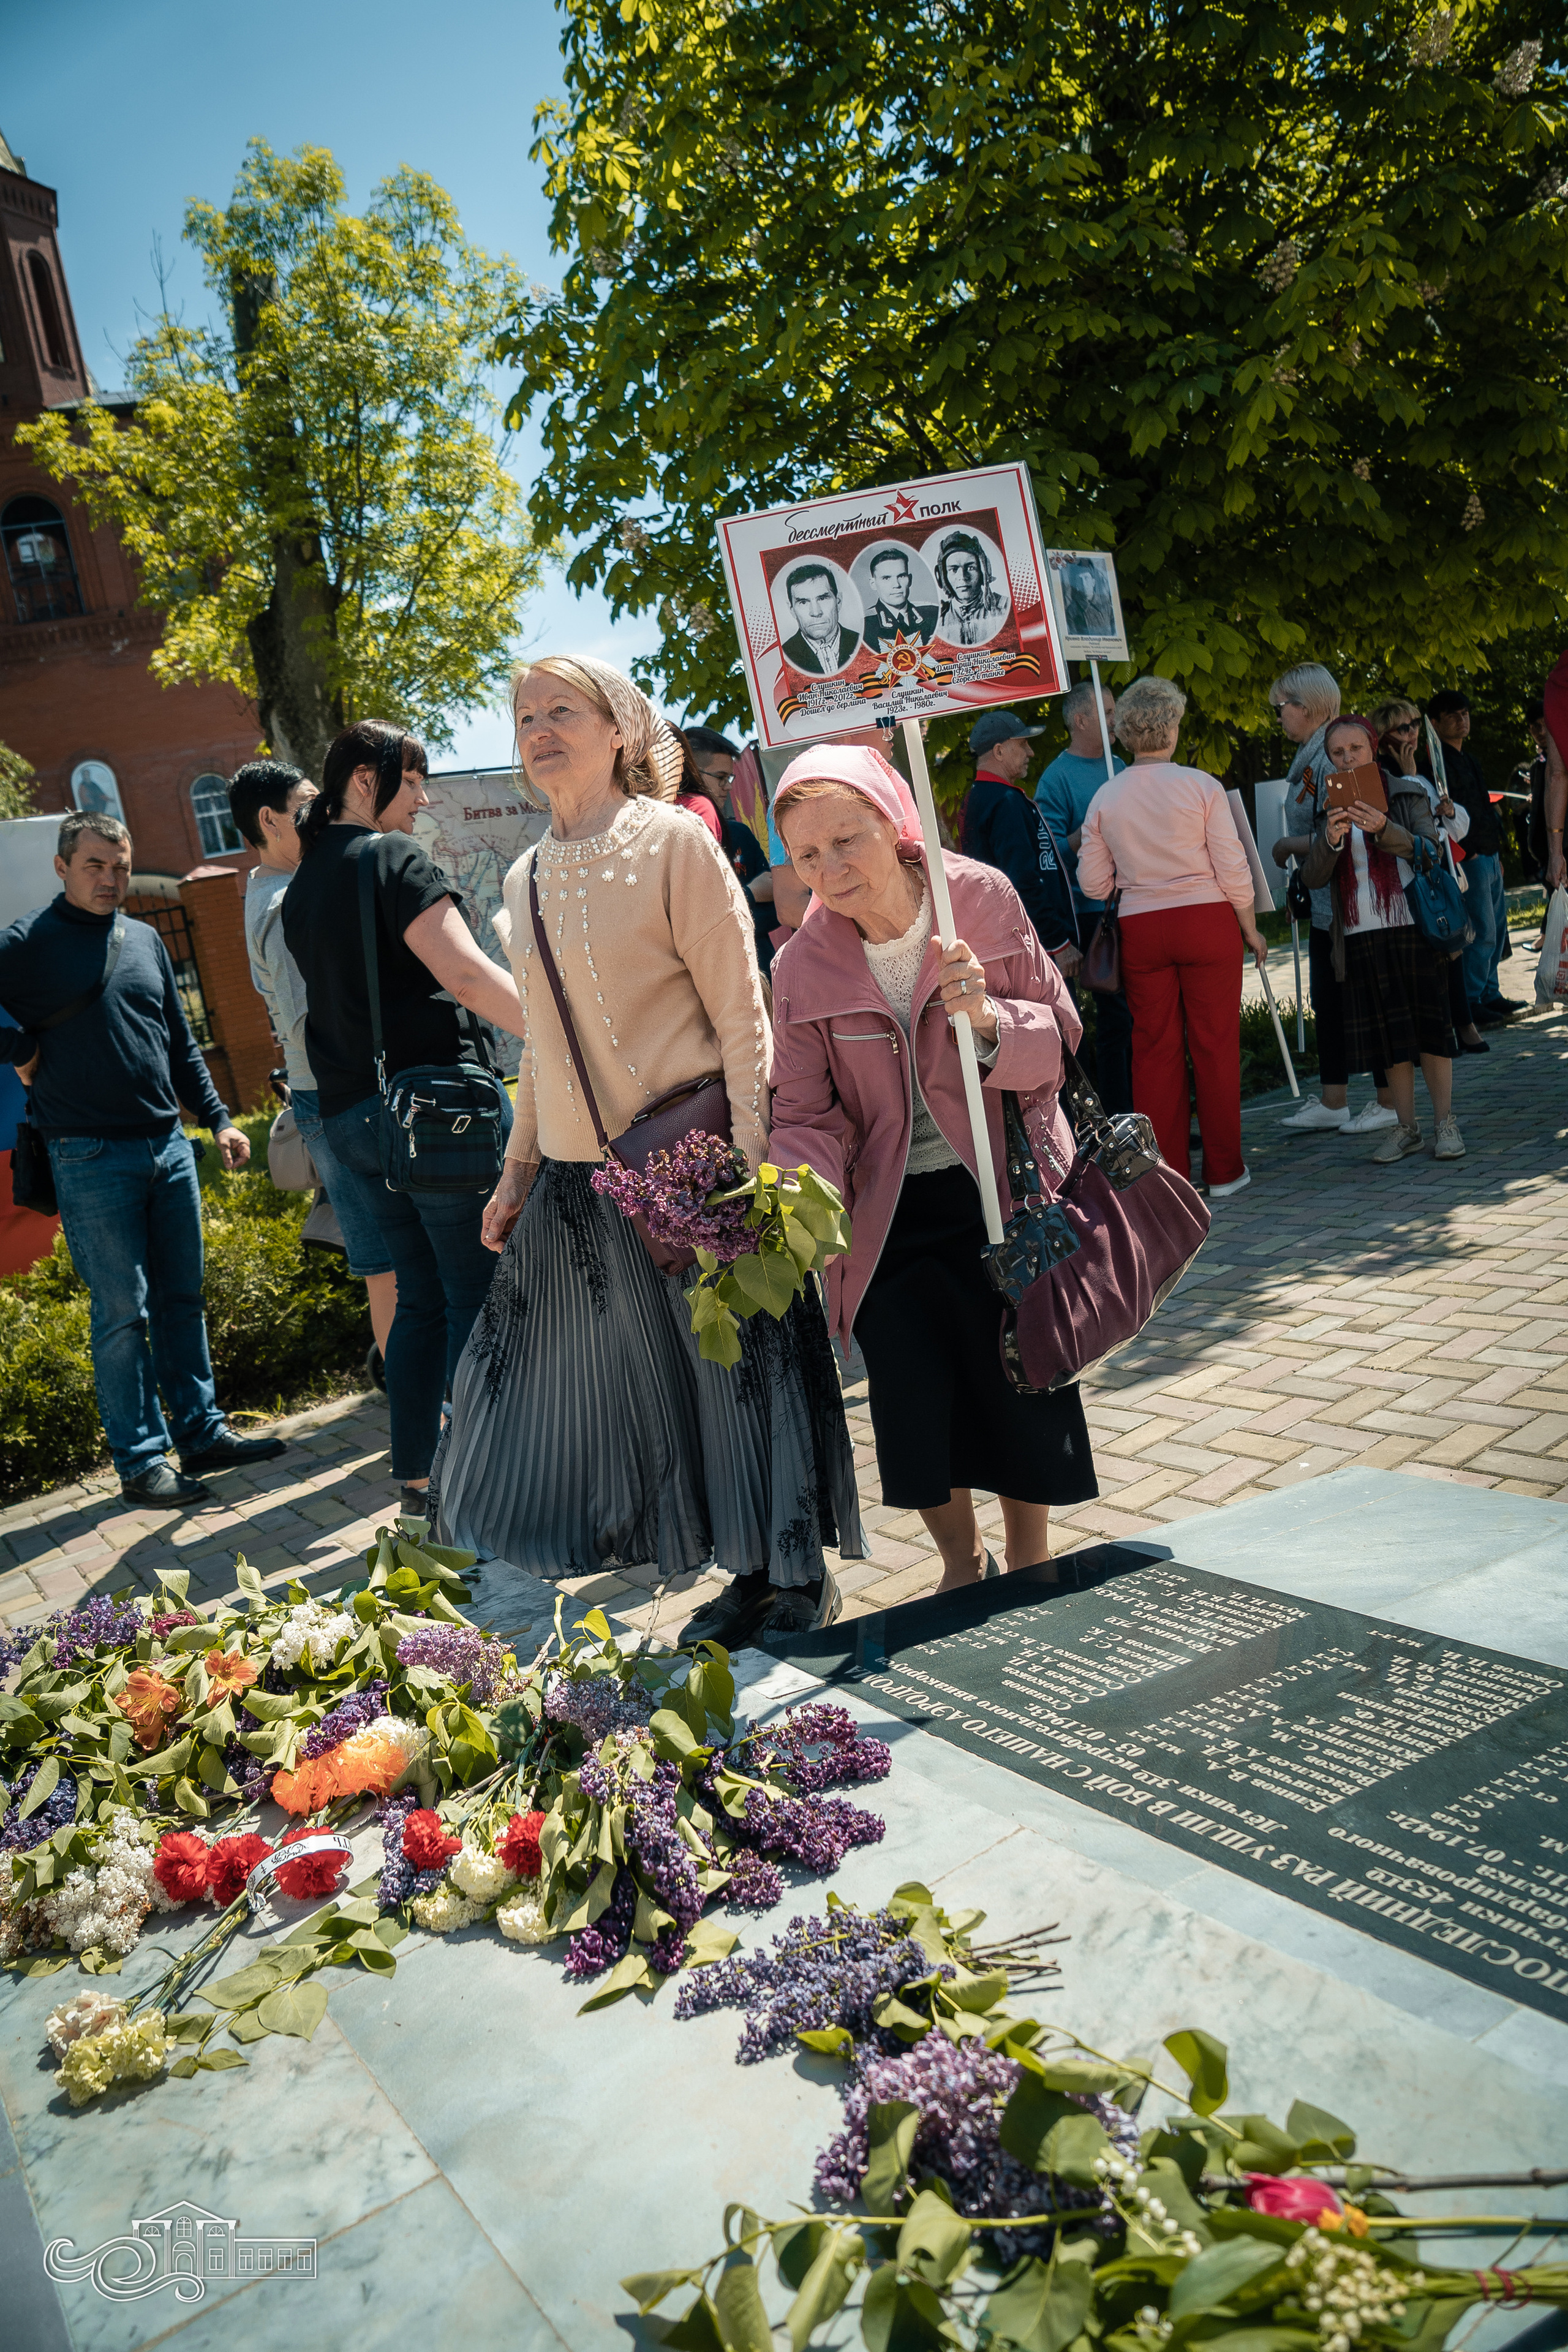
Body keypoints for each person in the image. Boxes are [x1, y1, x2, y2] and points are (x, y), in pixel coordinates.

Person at [430, 655, 864, 1646]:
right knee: (664, 1389)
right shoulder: (522, 875)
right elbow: (541, 1039)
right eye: (525, 715)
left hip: (700, 1165)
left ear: (620, 729)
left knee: (746, 1375)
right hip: (586, 1187)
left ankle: (790, 1576)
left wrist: (753, 1163)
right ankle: (740, 1571)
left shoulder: (673, 843)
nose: (540, 729)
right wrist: (517, 1172)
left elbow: (740, 1012)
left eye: (562, 711)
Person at [768, 744, 1096, 1593]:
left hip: (1000, 1185)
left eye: (847, 840)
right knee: (911, 1395)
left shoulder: (978, 898)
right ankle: (962, 1560)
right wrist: (799, 1197)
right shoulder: (802, 966)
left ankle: (1029, 1550)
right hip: (883, 1212)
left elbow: (1059, 1037)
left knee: (1019, 1376)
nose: (829, 869)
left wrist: (986, 1019)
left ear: (894, 820)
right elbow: (803, 1112)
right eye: (807, 856)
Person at [0, 812, 286, 1506]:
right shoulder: (25, 943)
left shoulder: (145, 939)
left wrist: (218, 1119)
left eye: (121, 866)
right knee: (123, 1311)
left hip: (167, 1144)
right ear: (63, 866)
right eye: (96, 865)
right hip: (87, 1151)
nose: (111, 879)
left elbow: (181, 1043)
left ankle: (201, 1431)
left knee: (182, 1298)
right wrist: (19, 1051)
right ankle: (139, 1460)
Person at [282, 720, 523, 1520]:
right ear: (362, 778)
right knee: (473, 1293)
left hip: (353, 1116)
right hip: (432, 1117)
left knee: (418, 1298)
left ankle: (420, 1479)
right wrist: (566, 1034)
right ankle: (495, 1473)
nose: (423, 796)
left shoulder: (307, 881)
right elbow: (466, 973)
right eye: (411, 778)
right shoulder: (390, 858)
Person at [228, 759, 399, 1363]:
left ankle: (425, 1411)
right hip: (343, 1097)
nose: (323, 814)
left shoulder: (267, 888)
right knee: (390, 1264)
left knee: (387, 1263)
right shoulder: (284, 903)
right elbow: (313, 1022)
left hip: (328, 1097)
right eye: (307, 805)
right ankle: (430, 1415)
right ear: (271, 820)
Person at [1077, 676, 1266, 1197]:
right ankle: (1225, 1171)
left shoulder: (1106, 796)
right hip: (1207, 921)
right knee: (1216, 1044)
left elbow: (1092, 882)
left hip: (1142, 926)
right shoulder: (1201, 786)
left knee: (1153, 1049)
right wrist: (1249, 927)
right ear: (1174, 727)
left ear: (1126, 733)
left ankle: (1171, 1178)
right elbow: (1232, 867)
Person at [1298, 716, 1461, 1163]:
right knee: (1390, 1038)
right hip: (1358, 933)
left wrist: (1384, 829)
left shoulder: (1406, 791)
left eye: (1356, 749)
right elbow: (1312, 877)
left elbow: (1431, 852)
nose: (1348, 758)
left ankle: (1444, 1123)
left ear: (1373, 748)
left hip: (1412, 926)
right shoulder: (1327, 803)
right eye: (1338, 753)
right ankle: (1406, 1129)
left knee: (1430, 1030)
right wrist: (1330, 842)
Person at [1267, 662, 1397, 1137]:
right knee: (1328, 998)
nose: (1278, 717)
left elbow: (1339, 826)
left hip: (1350, 902)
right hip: (1325, 901)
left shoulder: (1328, 755)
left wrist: (1286, 849)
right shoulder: (1311, 756)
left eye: (1281, 708)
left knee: (1362, 997)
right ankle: (1334, 1099)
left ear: (1307, 707)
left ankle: (1385, 1099)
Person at [1034, 679, 1134, 1110]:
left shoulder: (1123, 766)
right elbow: (1049, 852)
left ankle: (1145, 1112)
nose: (1117, 721)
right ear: (1080, 720)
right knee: (1108, 1021)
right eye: (1108, 713)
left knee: (1135, 1020)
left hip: (1133, 904)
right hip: (1089, 914)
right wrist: (1095, 825)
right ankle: (1113, 1118)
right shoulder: (1056, 778)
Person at [1371, 699, 1487, 1057]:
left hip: (1439, 875)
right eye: (1403, 729)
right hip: (1405, 882)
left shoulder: (1420, 773)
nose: (1413, 734)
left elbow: (1457, 828)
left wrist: (1450, 809)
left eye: (1416, 725)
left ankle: (1461, 1025)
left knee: (1452, 948)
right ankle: (1452, 1030)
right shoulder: (1382, 776)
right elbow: (1402, 824)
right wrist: (1408, 777)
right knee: (1435, 957)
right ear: (1385, 736)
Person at [959, 712, 1081, 979]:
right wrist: (1057, 943)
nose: (1032, 752)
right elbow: (1023, 880)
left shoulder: (978, 797)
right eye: (1023, 744)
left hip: (1010, 943)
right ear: (1000, 751)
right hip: (1033, 949)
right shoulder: (1005, 802)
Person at [1429, 690, 1511, 1026]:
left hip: (1489, 854)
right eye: (1453, 715)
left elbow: (1484, 808)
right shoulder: (1435, 766)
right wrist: (1473, 853)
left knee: (1499, 929)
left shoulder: (1470, 759)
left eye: (1465, 713)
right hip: (1468, 857)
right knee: (1481, 930)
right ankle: (1473, 998)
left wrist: (1496, 850)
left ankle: (1490, 992)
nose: (1462, 720)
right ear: (1434, 723)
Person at [684, 724, 775, 975]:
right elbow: (694, 923)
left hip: (762, 971)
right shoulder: (671, 839)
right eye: (721, 777)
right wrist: (752, 893)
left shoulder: (739, 835)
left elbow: (777, 910)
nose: (729, 786)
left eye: (730, 778)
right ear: (690, 772)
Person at [779, 564, 859, 675]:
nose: (816, 612)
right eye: (803, 602)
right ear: (792, 610)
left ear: (838, 602)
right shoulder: (781, 657)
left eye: (822, 598)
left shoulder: (862, 642)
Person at [933, 532, 1008, 645]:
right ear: (942, 577)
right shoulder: (937, 620)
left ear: (984, 571)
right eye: (954, 570)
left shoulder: (1005, 608)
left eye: (970, 567)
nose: (963, 577)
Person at [860, 548, 938, 654]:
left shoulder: (933, 614)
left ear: (910, 580)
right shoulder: (864, 626)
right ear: (873, 584)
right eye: (886, 578)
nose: (897, 585)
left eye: (901, 576)